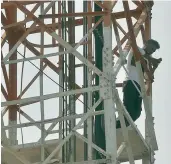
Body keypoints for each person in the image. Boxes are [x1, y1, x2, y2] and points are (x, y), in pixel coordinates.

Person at [116, 39, 162, 128]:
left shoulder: (147, 61)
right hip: (130, 82)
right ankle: (114, 125)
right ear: (146, 44)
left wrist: (154, 67)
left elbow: (147, 76)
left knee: (136, 113)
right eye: (152, 48)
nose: (152, 51)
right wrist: (153, 60)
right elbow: (141, 53)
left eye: (153, 51)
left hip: (139, 88)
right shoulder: (136, 49)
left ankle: (119, 127)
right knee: (128, 109)